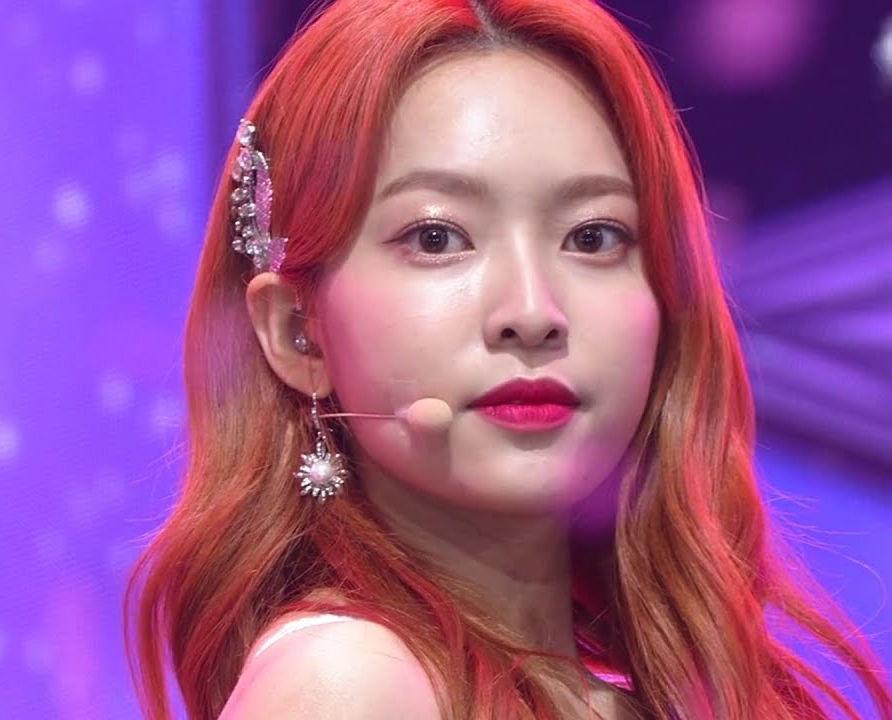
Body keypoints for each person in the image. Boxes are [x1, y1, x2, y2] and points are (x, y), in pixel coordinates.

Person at [123, 0, 892, 718]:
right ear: (299, 331)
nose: (532, 311)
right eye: (436, 238)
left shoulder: (647, 675)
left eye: (593, 237)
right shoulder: (350, 683)